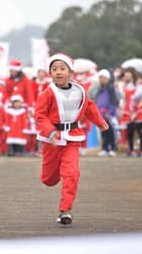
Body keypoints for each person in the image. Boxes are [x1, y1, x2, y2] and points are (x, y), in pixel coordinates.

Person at [35, 53, 108, 225]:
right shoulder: (47, 94)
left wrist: (99, 122)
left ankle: (65, 210)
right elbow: (40, 116)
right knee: (49, 179)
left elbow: (89, 106)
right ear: (50, 73)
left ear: (70, 72)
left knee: (72, 173)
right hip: (52, 140)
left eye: (62, 68)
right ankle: (58, 173)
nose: (58, 72)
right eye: (54, 69)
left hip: (72, 139)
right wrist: (51, 132)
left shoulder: (80, 91)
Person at [90, 69, 119, 157]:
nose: (100, 79)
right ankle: (105, 148)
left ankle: (113, 148)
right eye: (99, 77)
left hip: (108, 114)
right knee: (103, 131)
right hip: (101, 113)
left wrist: (110, 112)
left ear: (106, 78)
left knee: (110, 131)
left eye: (102, 77)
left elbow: (114, 101)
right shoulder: (100, 88)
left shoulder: (111, 88)